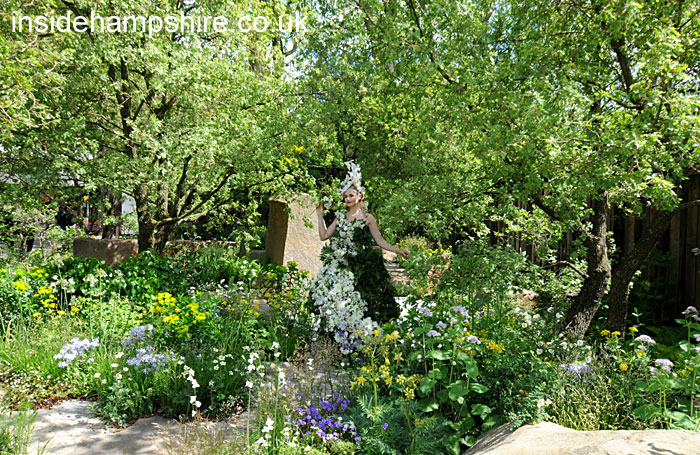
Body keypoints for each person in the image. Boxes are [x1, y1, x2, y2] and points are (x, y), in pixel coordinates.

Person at [310, 162, 408, 352]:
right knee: (338, 304)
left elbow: (380, 241)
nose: (347, 199)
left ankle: (368, 346)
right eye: (345, 196)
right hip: (342, 266)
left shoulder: (368, 218)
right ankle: (338, 344)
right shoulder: (340, 216)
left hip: (364, 268)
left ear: (360, 196)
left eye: (351, 195)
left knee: (366, 304)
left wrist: (398, 250)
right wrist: (320, 215)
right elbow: (324, 236)